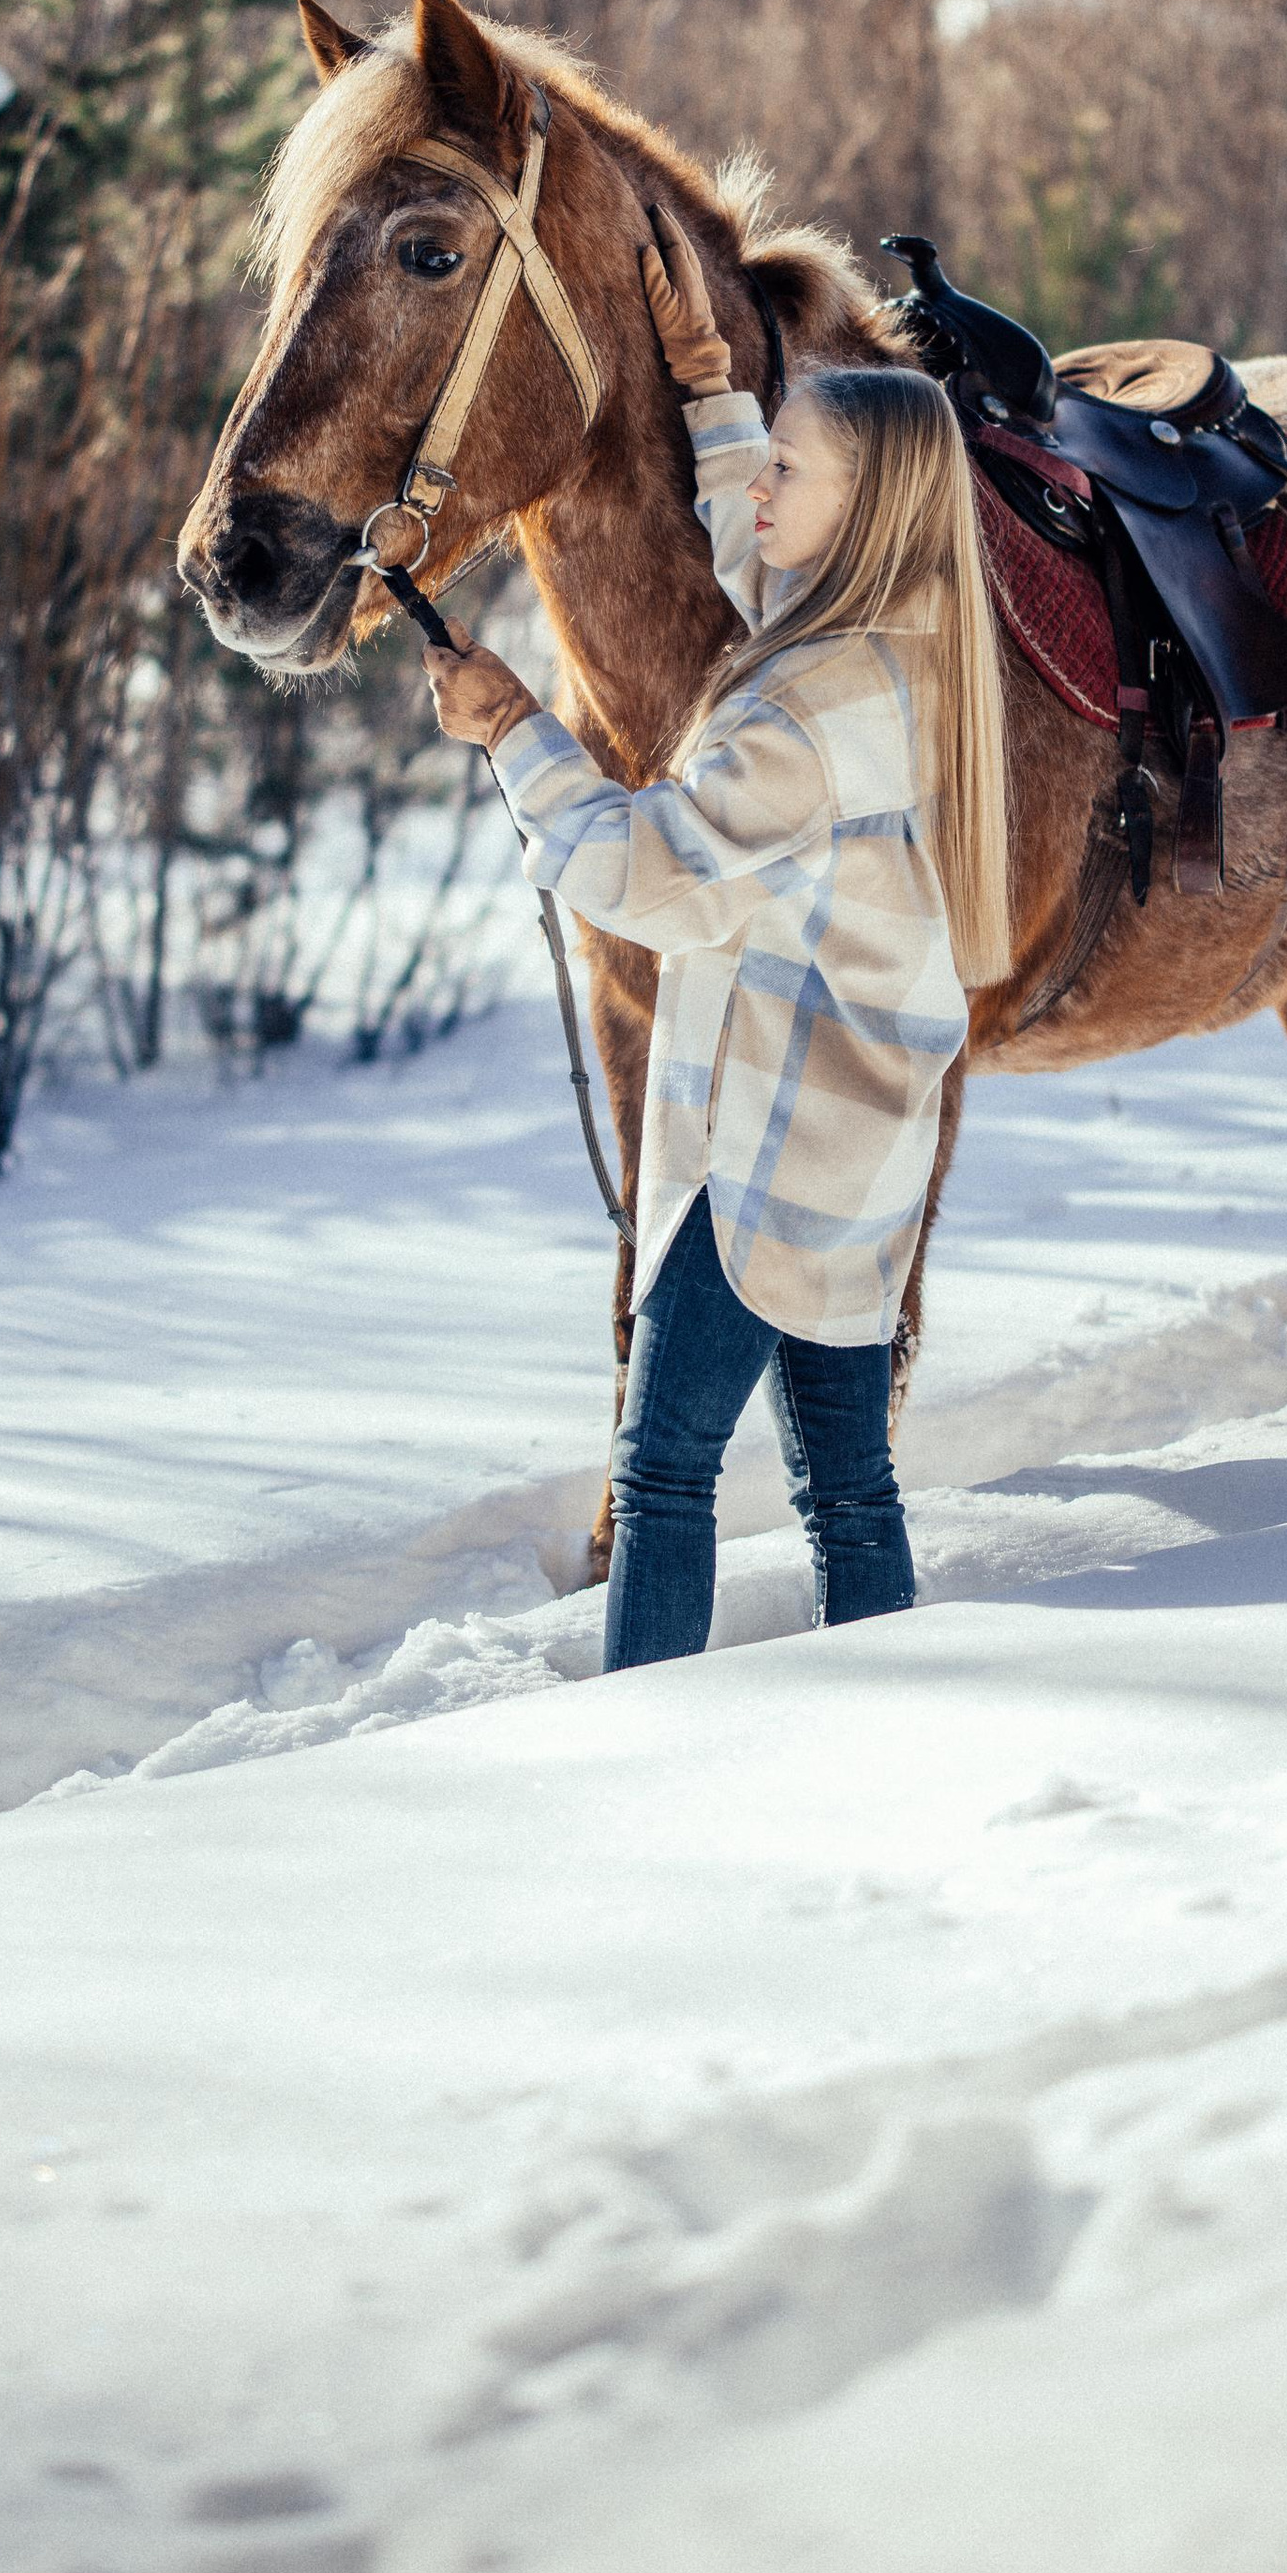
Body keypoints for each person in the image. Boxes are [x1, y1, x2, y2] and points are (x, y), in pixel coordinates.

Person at [426, 205, 1012, 1672]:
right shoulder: (896, 649)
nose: (759, 493)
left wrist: (516, 729)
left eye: (788, 473)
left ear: (858, 513)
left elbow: (656, 875)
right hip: (861, 1144)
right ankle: (883, 1696)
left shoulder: (800, 714)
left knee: (665, 1468)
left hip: (760, 1154)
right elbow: (768, 545)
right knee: (848, 1483)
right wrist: (712, 395)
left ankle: (650, 1743)